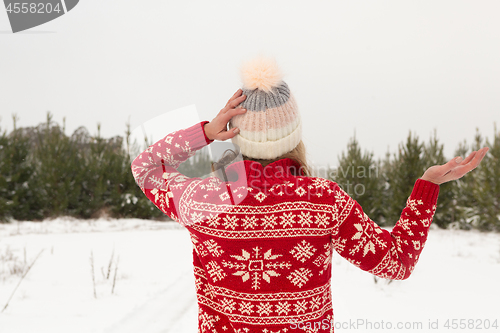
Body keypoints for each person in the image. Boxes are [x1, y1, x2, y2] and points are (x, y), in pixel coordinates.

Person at [131, 58, 488, 333]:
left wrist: (207, 133)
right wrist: (427, 187)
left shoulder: (203, 199)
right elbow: (396, 262)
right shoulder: (323, 201)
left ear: (236, 136)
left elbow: (145, 168)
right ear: (294, 135)